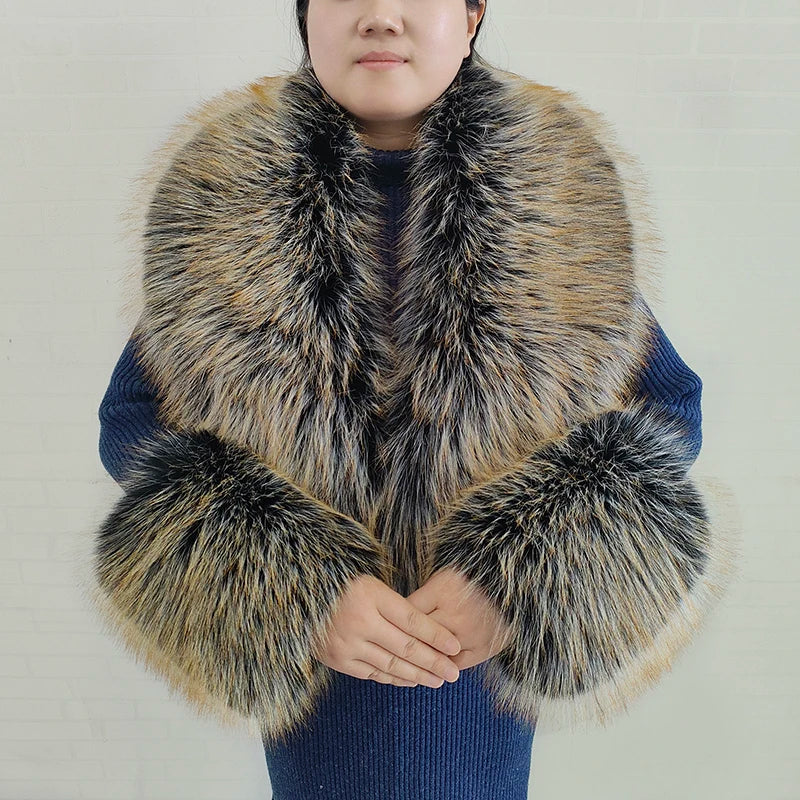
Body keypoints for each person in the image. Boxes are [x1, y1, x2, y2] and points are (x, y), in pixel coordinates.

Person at [91, 1, 738, 798]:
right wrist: (291, 582)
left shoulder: (553, 196)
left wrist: (524, 571)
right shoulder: (225, 200)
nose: (380, 17)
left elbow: (667, 407)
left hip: (480, 682)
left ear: (471, 16)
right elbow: (132, 418)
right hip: (321, 684)